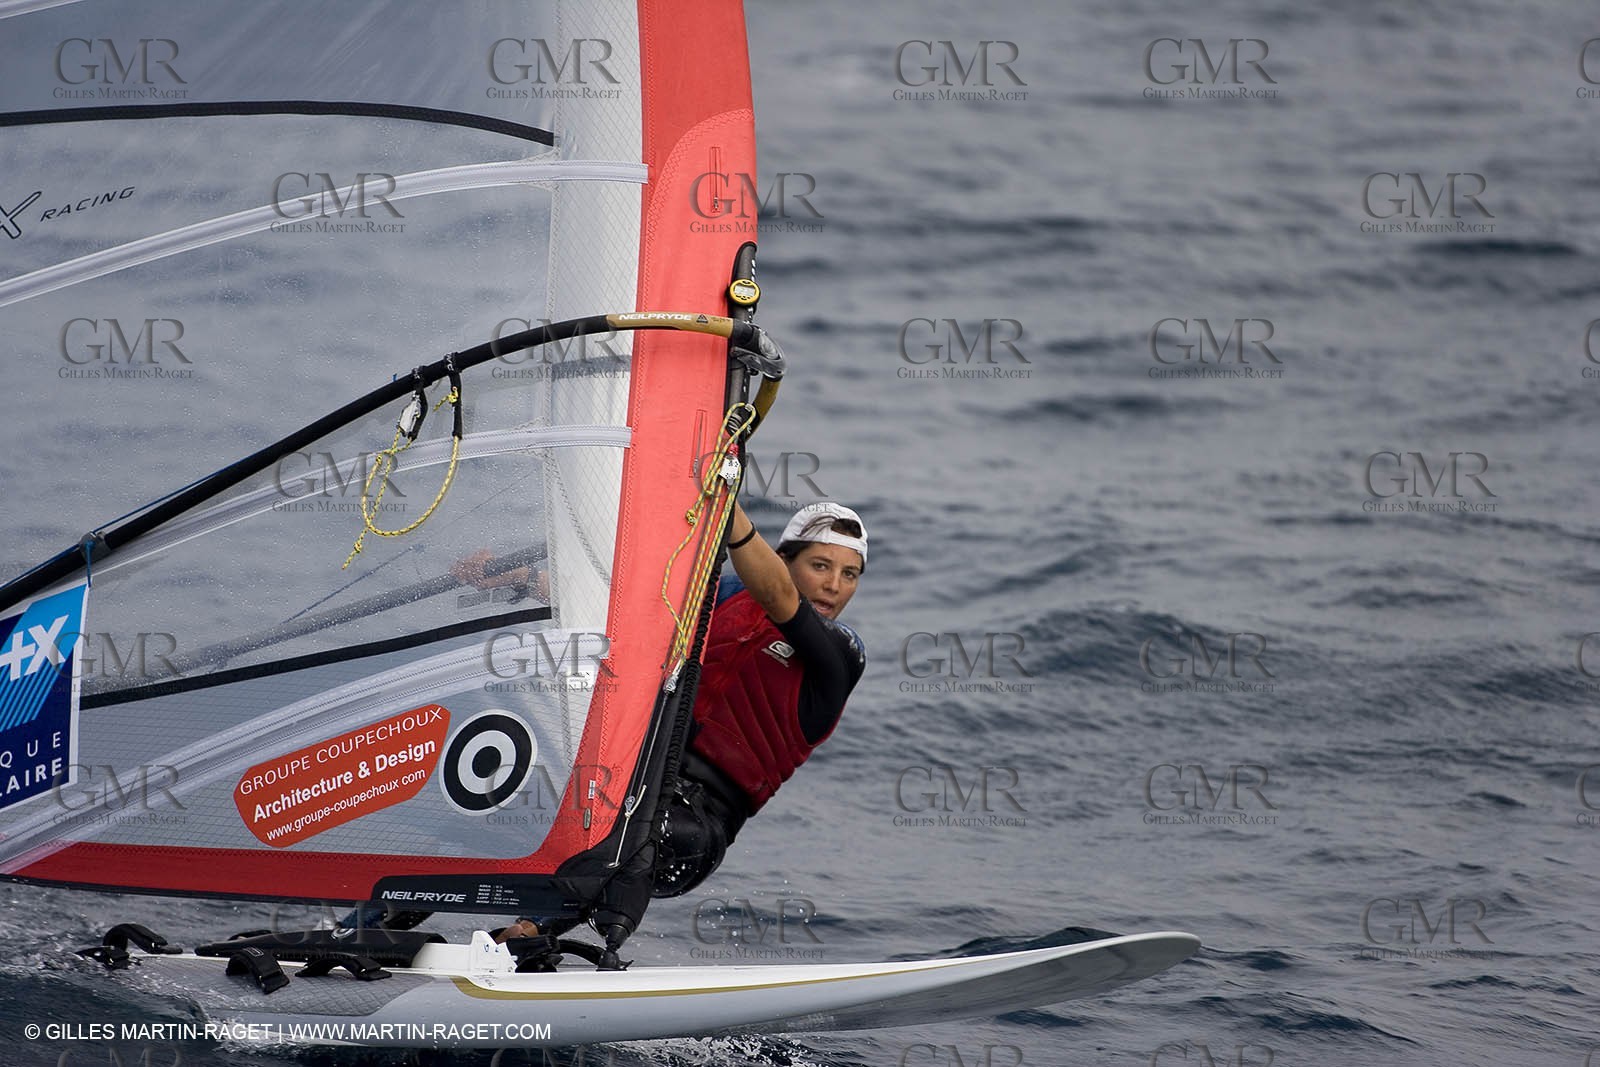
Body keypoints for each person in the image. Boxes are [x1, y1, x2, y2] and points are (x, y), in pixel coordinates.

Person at [352, 501, 867, 942]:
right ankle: (365, 929)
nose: (834, 586)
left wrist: (726, 505)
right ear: (783, 560)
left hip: (692, 830)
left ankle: (523, 939)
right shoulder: (727, 595)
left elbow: (780, 598)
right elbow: (623, 609)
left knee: (608, 831)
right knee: (489, 803)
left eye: (850, 574)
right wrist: (519, 579)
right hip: (624, 784)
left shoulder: (841, 655)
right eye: (821, 566)